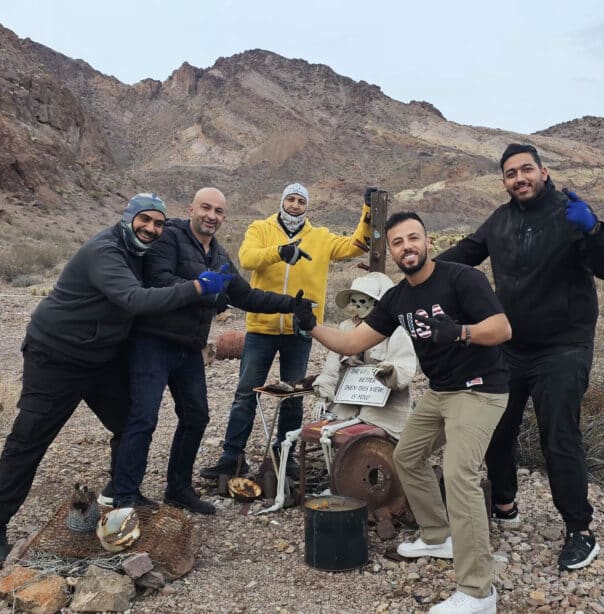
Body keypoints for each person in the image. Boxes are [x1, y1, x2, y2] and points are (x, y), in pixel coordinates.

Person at [0, 193, 233, 564]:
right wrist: (197, 288)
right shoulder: (106, 251)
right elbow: (134, 299)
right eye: (144, 220)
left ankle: (120, 492)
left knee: (131, 421)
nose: (151, 228)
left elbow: (185, 240)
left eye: (158, 224)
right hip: (56, 356)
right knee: (30, 438)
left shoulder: (143, 251)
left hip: (101, 358)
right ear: (127, 218)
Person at [295, 211, 511, 614]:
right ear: (392, 250)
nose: (406, 246)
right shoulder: (398, 298)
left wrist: (461, 332)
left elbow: (501, 329)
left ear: (427, 241)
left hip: (480, 390)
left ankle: (480, 592)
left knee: (460, 475)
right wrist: (311, 326)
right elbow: (350, 342)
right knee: (407, 456)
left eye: (414, 238)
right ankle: (438, 535)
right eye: (398, 242)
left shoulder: (462, 279)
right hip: (443, 392)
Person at [436, 143, 604, 571]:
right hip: (512, 345)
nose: (519, 178)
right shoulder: (501, 220)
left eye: (526, 170)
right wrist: (417, 274)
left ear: (543, 171)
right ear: (503, 181)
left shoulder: (570, 213)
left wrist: (595, 230)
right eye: (510, 173)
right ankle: (505, 503)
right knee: (497, 427)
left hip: (564, 346)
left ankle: (580, 530)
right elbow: (465, 254)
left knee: (558, 436)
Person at [110, 187, 297, 514]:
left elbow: (247, 296)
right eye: (206, 208)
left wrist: (292, 304)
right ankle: (125, 495)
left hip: (188, 347)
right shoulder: (169, 237)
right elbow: (157, 280)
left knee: (196, 416)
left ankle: (178, 488)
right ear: (191, 209)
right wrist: (204, 292)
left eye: (219, 211)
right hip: (153, 341)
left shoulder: (220, 255)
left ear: (224, 217)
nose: (211, 216)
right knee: (143, 418)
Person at [200, 183, 372, 479]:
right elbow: (247, 258)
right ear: (282, 202)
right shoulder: (260, 228)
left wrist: (368, 211)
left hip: (300, 330)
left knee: (294, 394)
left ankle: (285, 458)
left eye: (300, 201)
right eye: (290, 199)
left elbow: (357, 244)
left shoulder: (320, 237)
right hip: (262, 327)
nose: (294, 205)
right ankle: (232, 458)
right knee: (245, 393)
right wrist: (281, 252)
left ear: (307, 206)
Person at [311, 271, 417, 439]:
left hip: (384, 408)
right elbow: (331, 365)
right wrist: (322, 396)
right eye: (353, 301)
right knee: (327, 433)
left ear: (375, 302)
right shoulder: (346, 327)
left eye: (363, 301)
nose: (357, 306)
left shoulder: (394, 330)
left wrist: (389, 370)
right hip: (347, 403)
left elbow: (405, 365)